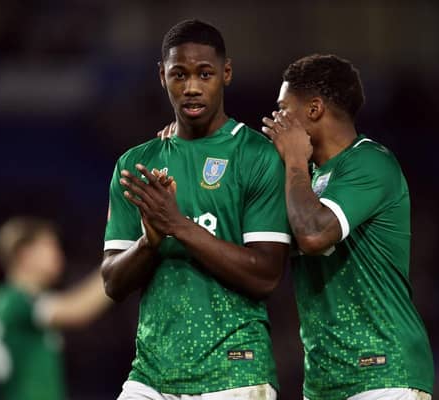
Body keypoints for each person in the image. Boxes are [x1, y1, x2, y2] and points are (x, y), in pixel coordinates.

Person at [100, 19, 291, 400]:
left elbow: (266, 275)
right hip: (151, 376)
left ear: (226, 73)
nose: (191, 87)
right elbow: (112, 282)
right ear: (161, 76)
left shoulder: (256, 156)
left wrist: (177, 225)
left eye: (205, 74)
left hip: (236, 372)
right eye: (179, 75)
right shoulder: (136, 164)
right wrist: (149, 242)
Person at [261, 55, 434, 400]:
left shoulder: (370, 162)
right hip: (326, 379)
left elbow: (312, 234)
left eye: (283, 109)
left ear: (314, 109)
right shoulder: (302, 183)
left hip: (384, 370)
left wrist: (294, 159)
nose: (274, 120)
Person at [0, 216, 112, 400]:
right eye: (50, 246)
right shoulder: (14, 301)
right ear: (25, 254)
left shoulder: (10, 299)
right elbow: (77, 310)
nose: (59, 255)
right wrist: (116, 267)